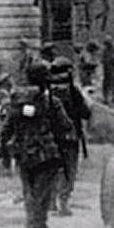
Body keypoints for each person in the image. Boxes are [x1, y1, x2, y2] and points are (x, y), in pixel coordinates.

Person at [0, 61, 75, 228]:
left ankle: (32, 224)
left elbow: (5, 130)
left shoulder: (15, 102)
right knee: (42, 195)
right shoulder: (51, 102)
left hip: (22, 154)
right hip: (45, 154)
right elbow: (66, 125)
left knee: (29, 192)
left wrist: (4, 153)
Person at [48, 56, 92, 216]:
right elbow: (86, 113)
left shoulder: (46, 90)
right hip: (70, 137)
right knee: (69, 170)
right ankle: (64, 203)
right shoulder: (73, 91)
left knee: (53, 169)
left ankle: (51, 202)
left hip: (51, 138)